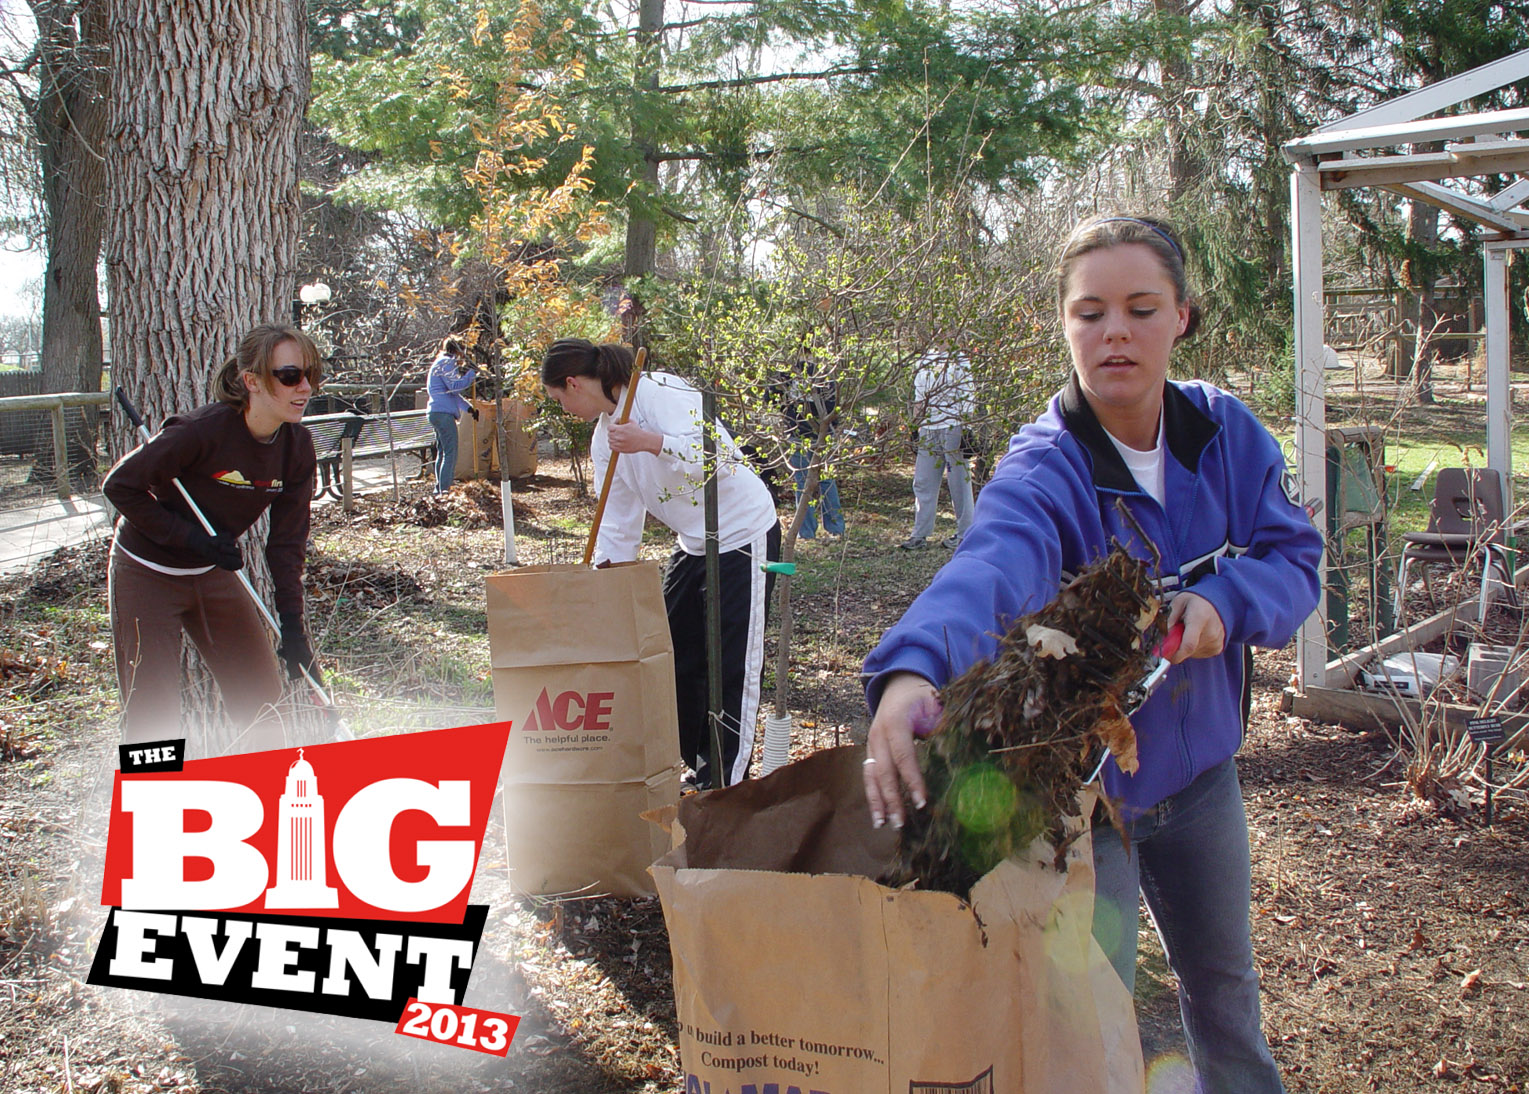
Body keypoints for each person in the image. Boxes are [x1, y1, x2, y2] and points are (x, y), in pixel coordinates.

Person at [861, 216, 1321, 1093]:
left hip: (1200, 785)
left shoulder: (1223, 434)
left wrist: (1224, 602)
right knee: (1086, 1014)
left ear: (1181, 317)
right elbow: (988, 565)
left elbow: (1292, 557)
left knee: (1225, 993)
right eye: (1089, 312)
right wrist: (915, 666)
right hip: (1085, 806)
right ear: (1063, 325)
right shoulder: (1046, 468)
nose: (1114, 332)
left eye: (1140, 308)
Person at [542, 339, 781, 790]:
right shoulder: (604, 440)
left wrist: (653, 442)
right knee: (672, 656)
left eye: (559, 400)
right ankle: (693, 766)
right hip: (693, 543)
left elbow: (722, 457)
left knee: (730, 666)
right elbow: (615, 523)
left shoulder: (659, 391)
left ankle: (724, 787)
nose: (563, 409)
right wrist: (601, 587)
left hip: (741, 534)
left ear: (573, 384)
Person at [103, 323, 326, 753]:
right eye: (290, 376)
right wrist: (191, 538)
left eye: (312, 374)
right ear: (252, 381)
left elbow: (286, 545)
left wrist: (293, 628)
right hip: (147, 571)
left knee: (263, 704)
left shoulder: (297, 447)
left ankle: (268, 799)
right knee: (153, 717)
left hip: (212, 572)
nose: (305, 388)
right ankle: (151, 808)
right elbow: (120, 486)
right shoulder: (200, 431)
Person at [901, 341, 975, 550]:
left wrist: (966, 429)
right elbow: (919, 397)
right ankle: (919, 535)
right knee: (923, 481)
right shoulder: (925, 360)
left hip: (953, 426)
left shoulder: (961, 361)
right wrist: (915, 427)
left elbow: (968, 397)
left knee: (959, 481)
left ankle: (965, 533)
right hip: (928, 428)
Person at [780, 359, 845, 539]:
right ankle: (825, 530)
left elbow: (772, 397)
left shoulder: (794, 369)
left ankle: (815, 531)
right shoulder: (820, 367)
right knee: (819, 480)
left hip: (808, 431)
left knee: (810, 481)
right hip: (806, 432)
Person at [426, 336, 477, 494]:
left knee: (442, 451)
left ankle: (439, 490)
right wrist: (471, 374)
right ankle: (445, 491)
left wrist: (468, 408)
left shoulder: (440, 362)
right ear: (458, 350)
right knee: (450, 453)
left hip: (436, 411)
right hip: (443, 414)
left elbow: (450, 393)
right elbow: (455, 387)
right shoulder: (447, 362)